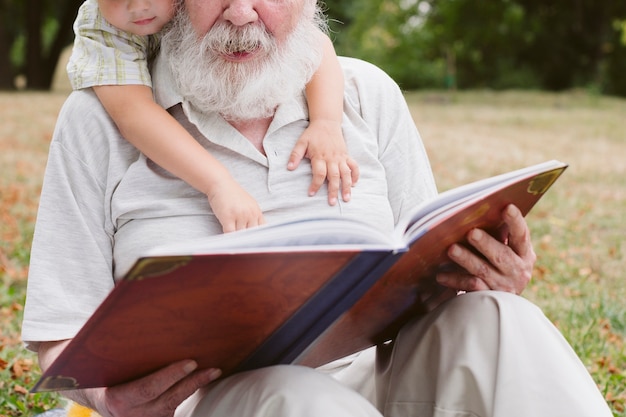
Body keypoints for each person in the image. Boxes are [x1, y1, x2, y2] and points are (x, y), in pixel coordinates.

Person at [23, 0, 613, 416]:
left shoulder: (364, 94)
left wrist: (486, 275)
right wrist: (108, 401)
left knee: (503, 322)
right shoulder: (101, 118)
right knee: (296, 399)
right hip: (214, 404)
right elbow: (59, 333)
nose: (242, 12)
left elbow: (426, 267)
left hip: (377, 380)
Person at [68, 0, 358, 233]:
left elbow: (315, 43)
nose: (138, 7)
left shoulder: (366, 92)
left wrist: (326, 122)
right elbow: (133, 114)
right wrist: (218, 183)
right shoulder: (106, 28)